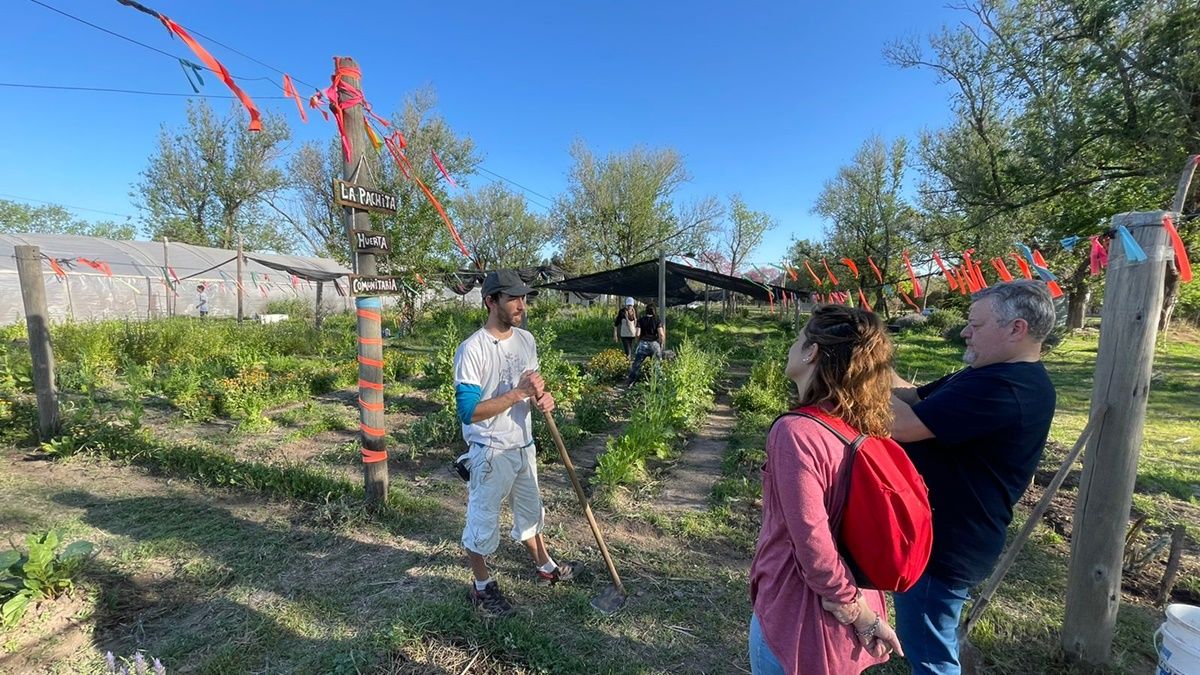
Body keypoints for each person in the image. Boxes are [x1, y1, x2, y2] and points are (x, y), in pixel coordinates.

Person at [890, 280, 1057, 675]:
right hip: (935, 534)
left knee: (931, 656)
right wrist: (870, 361)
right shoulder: (986, 373)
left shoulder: (1008, 388)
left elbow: (903, 424)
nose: (965, 331)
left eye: (976, 324)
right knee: (928, 641)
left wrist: (847, 374)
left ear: (1016, 328)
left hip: (946, 545)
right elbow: (914, 397)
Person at [749, 305, 904, 674]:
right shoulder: (860, 426)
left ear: (812, 352)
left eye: (798, 338)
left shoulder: (796, 432)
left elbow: (813, 544)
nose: (792, 346)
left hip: (799, 618)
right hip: (852, 607)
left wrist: (856, 612)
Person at [453, 269, 579, 618]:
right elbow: (468, 412)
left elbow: (532, 389)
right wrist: (518, 393)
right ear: (491, 301)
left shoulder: (526, 340)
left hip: (523, 444)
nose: (522, 305)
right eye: (512, 298)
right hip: (491, 451)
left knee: (531, 513)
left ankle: (545, 567)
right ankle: (481, 587)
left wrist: (542, 398)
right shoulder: (473, 349)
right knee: (481, 524)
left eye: (524, 297)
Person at [625, 303, 665, 383]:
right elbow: (661, 334)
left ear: (646, 310)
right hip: (654, 344)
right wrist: (661, 344)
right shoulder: (657, 320)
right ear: (654, 311)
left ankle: (631, 381)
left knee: (636, 364)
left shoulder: (641, 320)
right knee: (657, 365)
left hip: (643, 344)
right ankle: (657, 382)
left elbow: (637, 334)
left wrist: (638, 341)